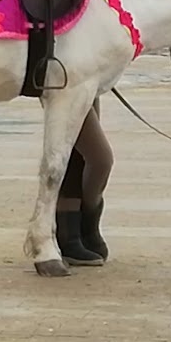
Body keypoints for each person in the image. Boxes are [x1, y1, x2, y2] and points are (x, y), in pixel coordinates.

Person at [55, 100, 114, 265]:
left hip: (91, 83)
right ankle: (81, 230)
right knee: (101, 160)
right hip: (70, 85)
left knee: (77, 153)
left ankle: (75, 233)